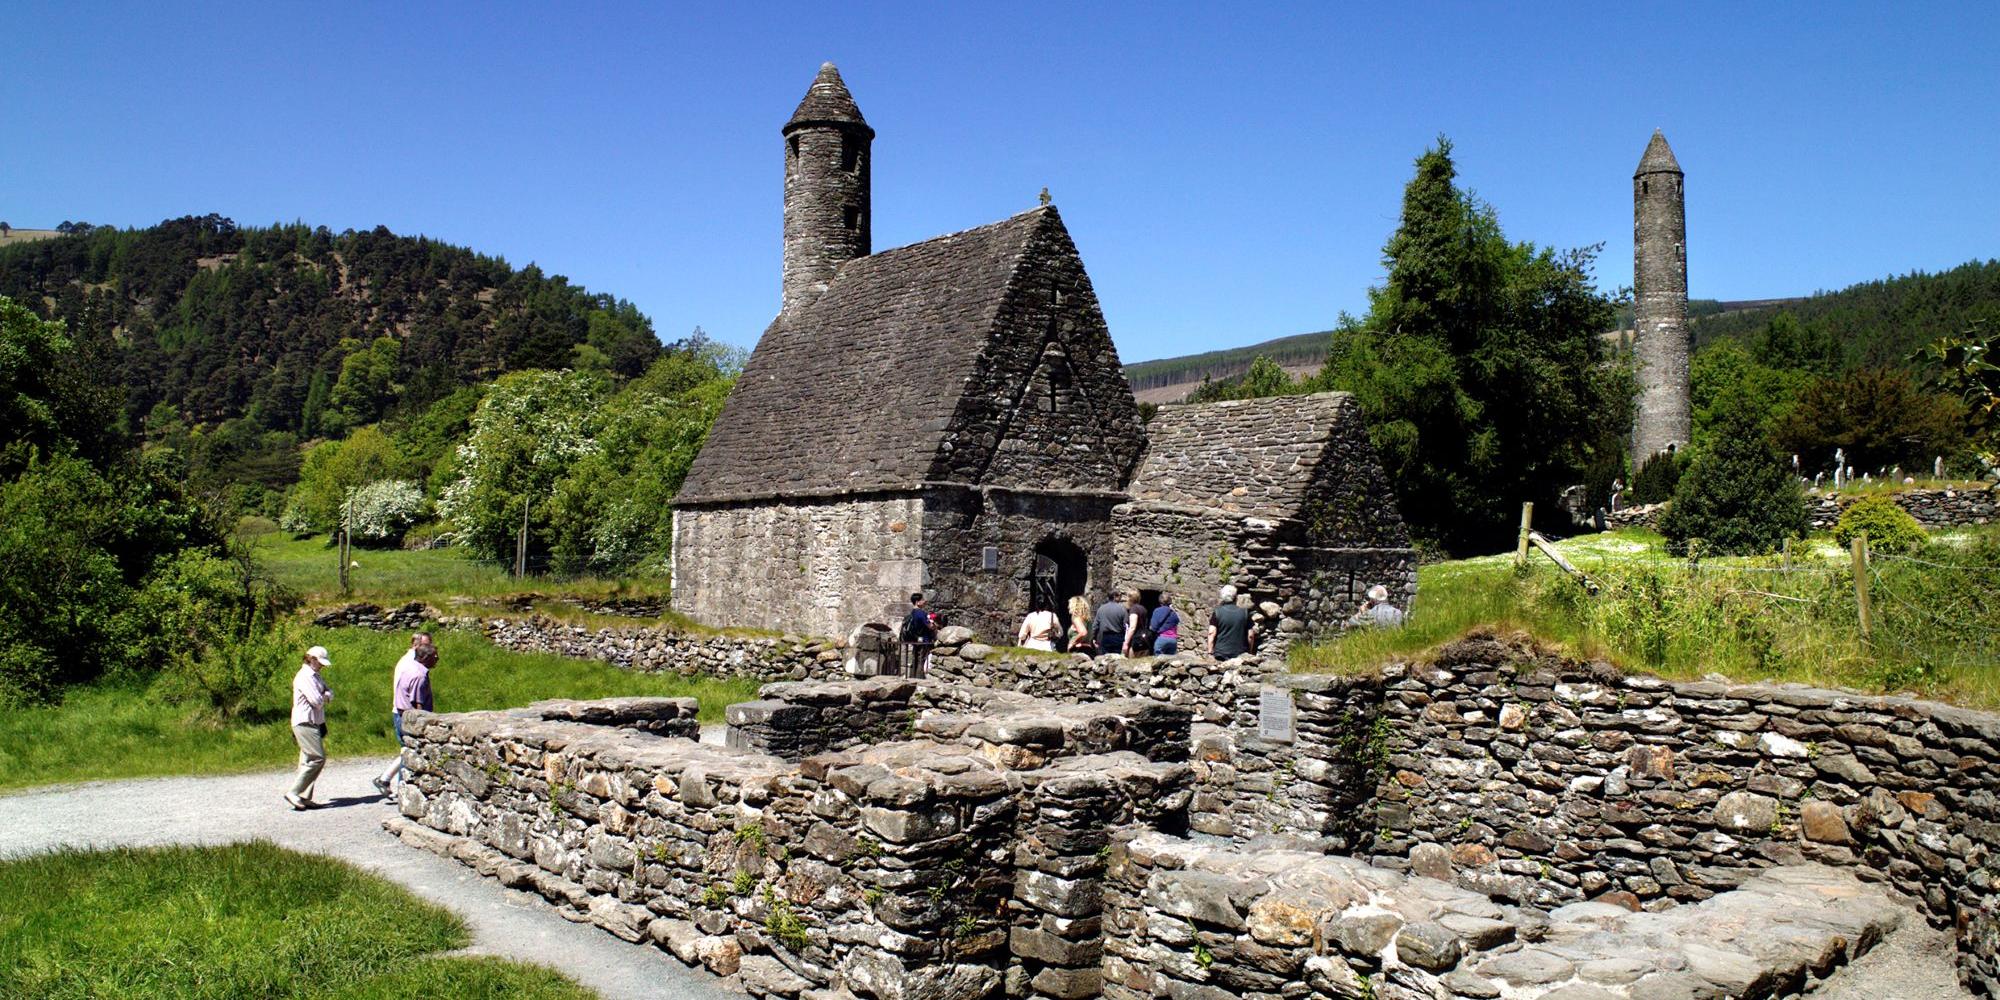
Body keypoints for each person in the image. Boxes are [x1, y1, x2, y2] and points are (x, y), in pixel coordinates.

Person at [372, 632, 437, 798]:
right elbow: (415, 700)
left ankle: (385, 779)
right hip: (405, 713)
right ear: (416, 646)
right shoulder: (413, 667)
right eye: (427, 645)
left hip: (402, 710)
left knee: (406, 750)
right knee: (409, 751)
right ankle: (403, 791)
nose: (430, 649)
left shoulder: (411, 663)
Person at [287, 645, 334, 811]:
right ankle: (294, 792)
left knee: (307, 760)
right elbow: (317, 701)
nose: (321, 665)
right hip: (305, 721)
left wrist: (326, 694)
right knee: (317, 758)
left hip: (314, 721)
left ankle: (304, 796)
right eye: (319, 662)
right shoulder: (305, 676)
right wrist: (326, 695)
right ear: (311, 659)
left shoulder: (316, 676)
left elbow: (329, 691)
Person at [1206, 585, 1257, 660]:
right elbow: (1251, 635)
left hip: (1220, 654)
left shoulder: (1217, 612)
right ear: (1235, 597)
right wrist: (1250, 651)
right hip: (1240, 654)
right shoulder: (1245, 613)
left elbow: (1211, 633)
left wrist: (1210, 652)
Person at [900, 592, 937, 675]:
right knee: (922, 660)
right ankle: (919, 677)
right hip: (924, 640)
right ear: (917, 602)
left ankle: (913, 675)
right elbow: (930, 626)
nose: (924, 601)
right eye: (922, 600)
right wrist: (934, 625)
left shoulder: (912, 612)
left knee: (915, 658)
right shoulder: (921, 613)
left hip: (915, 639)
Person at [1094, 589, 1136, 657]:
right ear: (1114, 596)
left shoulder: (1101, 608)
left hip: (1105, 637)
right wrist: (1126, 641)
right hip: (1118, 637)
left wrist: (1093, 638)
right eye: (1120, 595)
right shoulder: (1122, 609)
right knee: (1117, 658)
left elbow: (1095, 626)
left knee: (1105, 658)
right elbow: (1126, 625)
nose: (1121, 597)